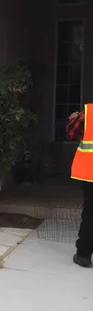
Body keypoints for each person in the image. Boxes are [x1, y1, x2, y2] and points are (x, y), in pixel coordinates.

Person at [67, 108, 93, 268]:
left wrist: (73, 119)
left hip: (91, 174)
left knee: (90, 212)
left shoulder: (89, 113)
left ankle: (83, 254)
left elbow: (71, 133)